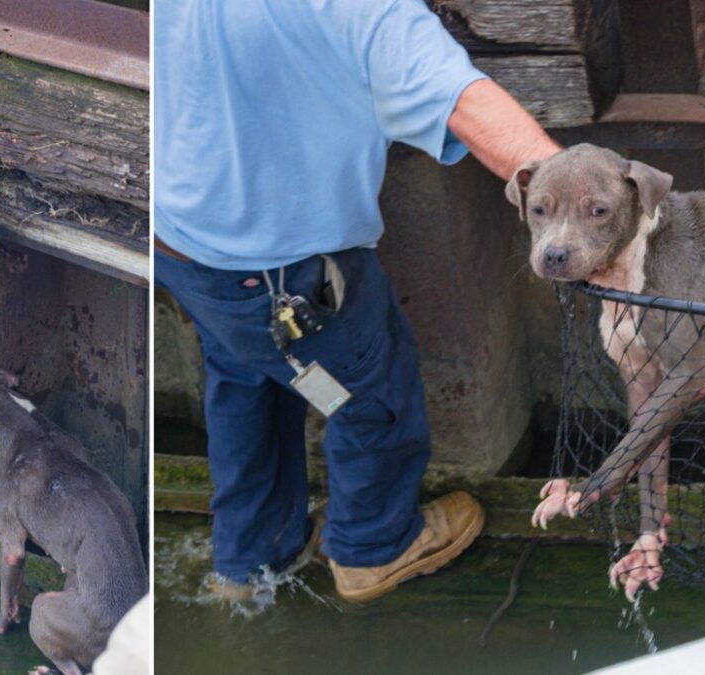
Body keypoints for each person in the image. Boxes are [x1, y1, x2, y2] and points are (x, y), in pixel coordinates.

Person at [154, 0, 561, 602]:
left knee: (247, 377)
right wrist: (594, 209)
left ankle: (250, 558)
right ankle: (373, 547)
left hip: (183, 246)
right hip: (285, 274)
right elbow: (467, 105)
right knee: (368, 394)